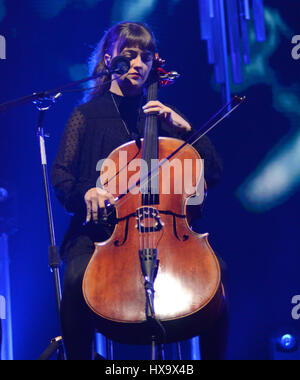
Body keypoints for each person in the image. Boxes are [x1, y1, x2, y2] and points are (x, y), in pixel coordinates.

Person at [51, 21, 227, 360]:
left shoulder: (162, 119)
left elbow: (214, 174)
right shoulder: (85, 116)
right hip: (101, 232)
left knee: (219, 277)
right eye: (129, 56)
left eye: (146, 58)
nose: (138, 65)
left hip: (166, 232)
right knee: (74, 280)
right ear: (109, 59)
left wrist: (186, 130)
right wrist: (87, 192)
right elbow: (61, 174)